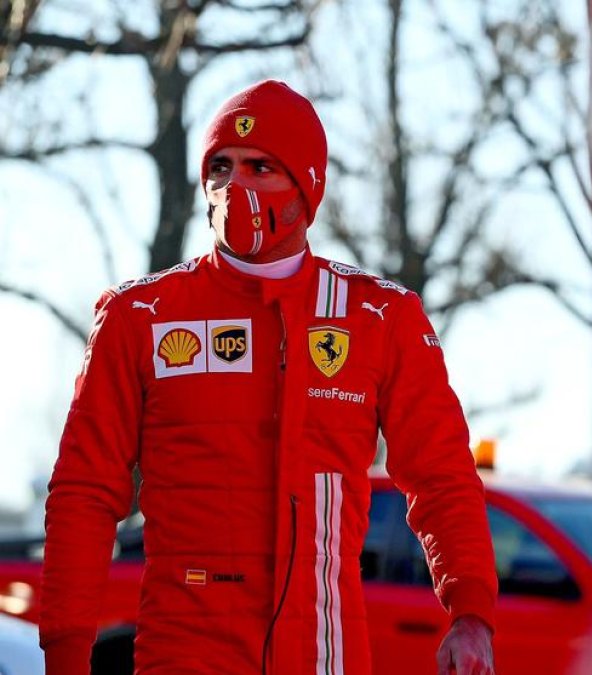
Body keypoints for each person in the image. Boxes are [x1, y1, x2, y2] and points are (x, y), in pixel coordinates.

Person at [38, 80, 497, 675]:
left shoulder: (379, 317)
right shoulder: (140, 316)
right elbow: (84, 492)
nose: (238, 187)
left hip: (325, 655)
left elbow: (441, 476)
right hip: (184, 655)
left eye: (261, 167)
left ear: (306, 188)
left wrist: (471, 612)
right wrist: (66, 650)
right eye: (221, 168)